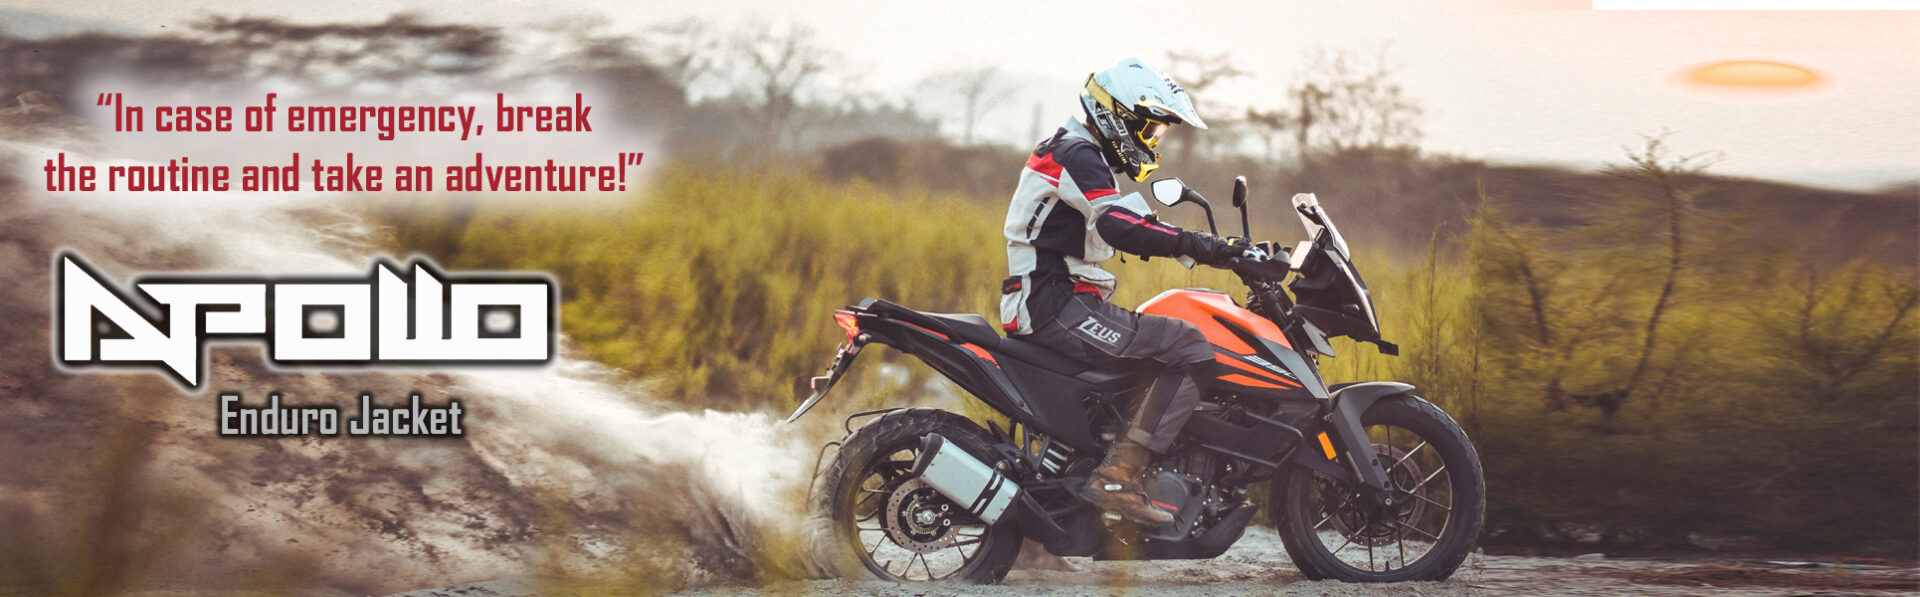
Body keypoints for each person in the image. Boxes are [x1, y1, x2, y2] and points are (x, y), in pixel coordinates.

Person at [998, 58, 1261, 524]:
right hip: (1054, 305)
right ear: (1119, 116)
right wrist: (1202, 245)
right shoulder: (1078, 154)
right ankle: (1119, 476)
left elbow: (1127, 221)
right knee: (1187, 345)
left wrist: (1212, 247)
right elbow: (1117, 225)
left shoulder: (1077, 153)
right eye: (1150, 129)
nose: (1152, 140)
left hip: (1055, 301)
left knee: (1156, 350)